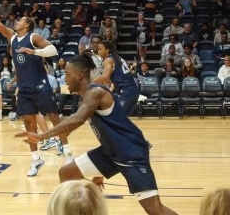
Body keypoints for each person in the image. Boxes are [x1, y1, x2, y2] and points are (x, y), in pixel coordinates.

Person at [16, 53, 178, 215]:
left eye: (67, 74)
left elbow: (76, 120)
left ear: (79, 76)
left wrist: (42, 136)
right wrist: (99, 171)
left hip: (131, 153)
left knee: (154, 209)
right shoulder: (86, 96)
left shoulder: (96, 93)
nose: (64, 78)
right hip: (111, 152)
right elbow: (84, 129)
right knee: (67, 172)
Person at [0, 0, 73, 177]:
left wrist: (34, 52)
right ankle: (36, 159)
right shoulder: (12, 36)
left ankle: (68, 153)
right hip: (25, 88)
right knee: (29, 123)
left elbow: (52, 50)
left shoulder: (33, 37)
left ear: (27, 25)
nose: (17, 20)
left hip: (40, 85)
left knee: (54, 118)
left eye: (21, 20)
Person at [93, 40, 139, 116]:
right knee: (118, 119)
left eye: (101, 49)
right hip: (132, 91)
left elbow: (105, 77)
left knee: (117, 118)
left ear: (107, 50)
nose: (98, 51)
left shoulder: (108, 60)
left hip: (126, 92)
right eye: (98, 49)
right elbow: (126, 74)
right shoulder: (119, 58)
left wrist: (90, 84)